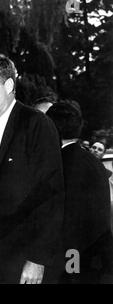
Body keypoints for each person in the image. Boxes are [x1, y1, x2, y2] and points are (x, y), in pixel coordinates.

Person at [0, 54, 64, 284]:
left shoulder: (37, 125)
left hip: (29, 257)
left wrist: (37, 259)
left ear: (9, 85)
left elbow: (51, 198)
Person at [46, 101, 113, 283]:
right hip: (93, 262)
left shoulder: (63, 165)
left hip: (71, 263)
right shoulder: (93, 162)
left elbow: (70, 225)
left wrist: (68, 269)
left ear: (52, 129)